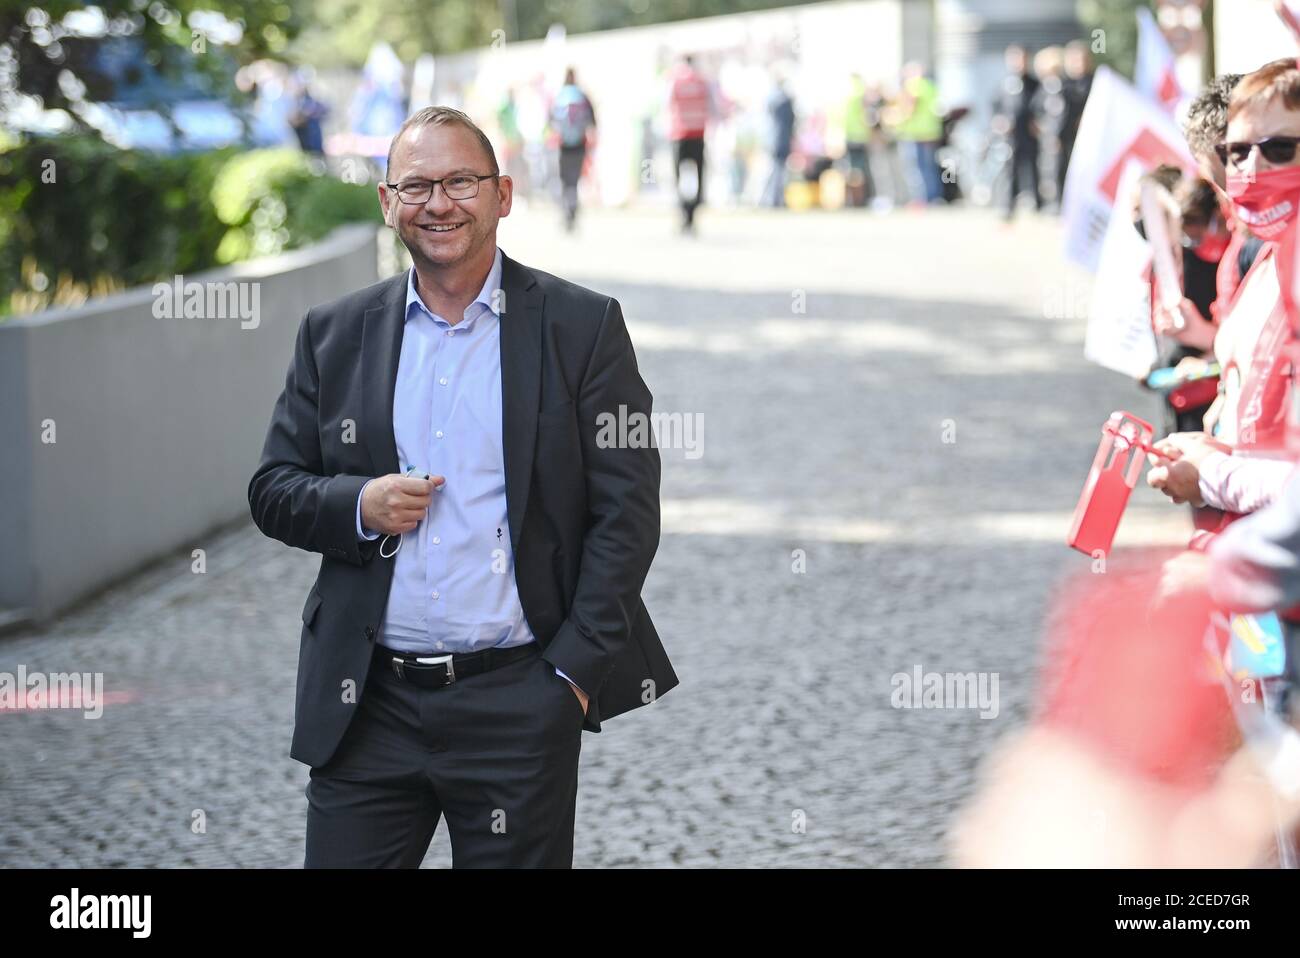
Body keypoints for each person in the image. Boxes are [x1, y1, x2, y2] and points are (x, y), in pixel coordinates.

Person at [248, 106, 677, 868]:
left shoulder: (582, 327)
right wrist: (360, 505)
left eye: (460, 182)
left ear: (503, 195)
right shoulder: (334, 334)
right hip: (367, 705)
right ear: (387, 203)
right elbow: (274, 488)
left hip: (519, 700)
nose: (438, 203)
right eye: (416, 185)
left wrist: (570, 677)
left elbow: (628, 514)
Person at [993, 45, 1043, 220]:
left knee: (1033, 169)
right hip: (1010, 137)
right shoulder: (1005, 84)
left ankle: (1038, 204)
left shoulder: (1035, 84)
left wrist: (1038, 123)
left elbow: (1041, 106)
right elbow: (996, 107)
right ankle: (1007, 207)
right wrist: (1000, 122)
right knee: (1009, 171)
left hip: (1029, 135)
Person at [667, 53, 713, 234]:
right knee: (698, 176)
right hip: (698, 135)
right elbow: (713, 107)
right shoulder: (702, 83)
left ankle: (683, 213)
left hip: (678, 135)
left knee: (679, 178)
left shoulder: (674, 81)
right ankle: (692, 213)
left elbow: (666, 105)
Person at [551, 68, 597, 232]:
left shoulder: (560, 96)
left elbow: (551, 121)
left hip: (563, 145)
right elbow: (592, 120)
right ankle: (573, 213)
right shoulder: (581, 95)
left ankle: (566, 214)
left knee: (564, 180)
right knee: (574, 180)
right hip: (579, 144)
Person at [892, 61, 944, 206]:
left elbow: (909, 109)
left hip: (913, 134)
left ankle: (919, 199)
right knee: (929, 168)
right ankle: (934, 197)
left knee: (914, 169)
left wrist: (896, 120)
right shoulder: (930, 86)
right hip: (930, 133)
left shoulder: (912, 86)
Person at [763, 75, 796, 208]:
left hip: (772, 139)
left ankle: (771, 198)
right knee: (777, 171)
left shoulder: (771, 100)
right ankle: (774, 199)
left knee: (773, 170)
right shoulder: (784, 102)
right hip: (780, 140)